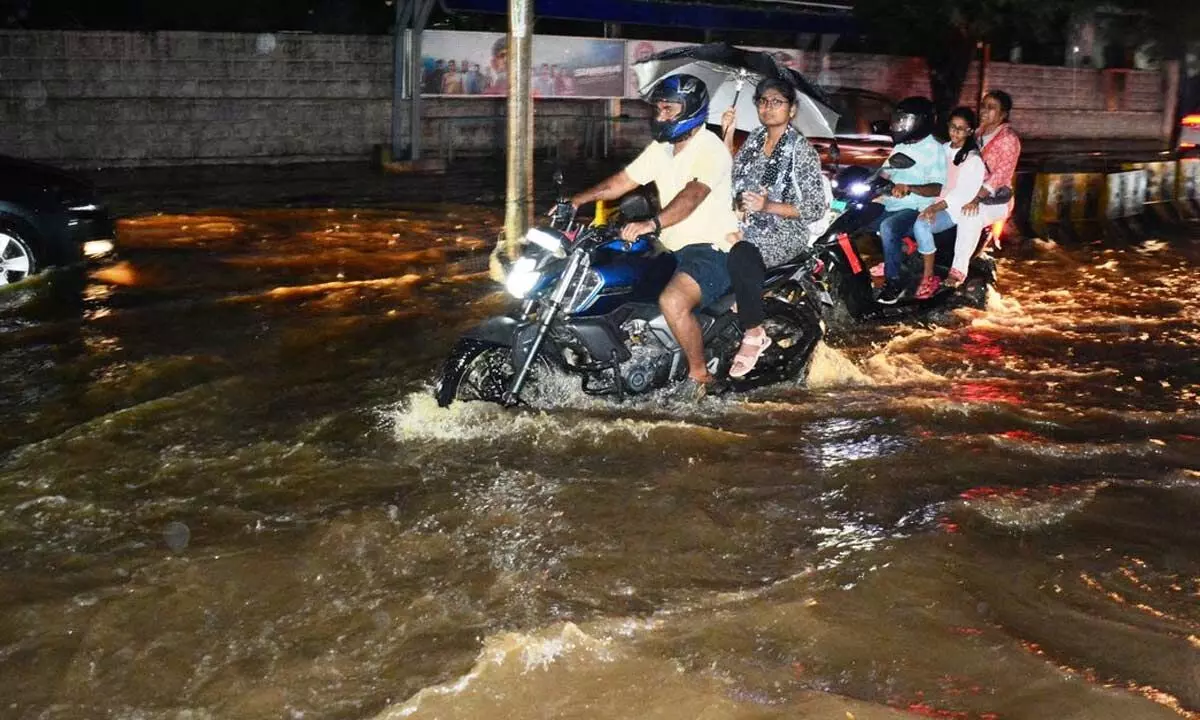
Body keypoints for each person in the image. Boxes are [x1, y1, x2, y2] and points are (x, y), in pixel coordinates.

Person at [564, 74, 738, 397]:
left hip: (714, 249)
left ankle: (701, 379)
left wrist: (652, 223)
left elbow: (692, 196)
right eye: (659, 108)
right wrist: (577, 200)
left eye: (669, 109)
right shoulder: (663, 148)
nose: (661, 115)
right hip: (670, 248)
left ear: (691, 110)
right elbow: (622, 181)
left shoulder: (711, 149)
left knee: (672, 301)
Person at [718, 77, 828, 378]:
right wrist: (727, 137)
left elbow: (817, 208)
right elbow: (732, 177)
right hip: (745, 224)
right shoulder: (753, 139)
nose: (768, 107)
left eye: (777, 102)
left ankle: (755, 333)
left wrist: (768, 207)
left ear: (791, 110)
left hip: (784, 232)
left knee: (740, 254)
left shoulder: (800, 150)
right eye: (763, 101)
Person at [868, 96, 946, 304]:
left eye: (905, 121)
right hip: (891, 202)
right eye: (898, 120)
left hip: (916, 208)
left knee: (888, 228)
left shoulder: (935, 149)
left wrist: (909, 188)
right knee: (852, 217)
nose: (899, 125)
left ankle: (893, 282)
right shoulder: (902, 146)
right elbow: (885, 172)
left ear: (921, 122)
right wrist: (871, 181)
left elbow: (937, 187)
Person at [910, 107, 986, 299]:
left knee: (921, 224)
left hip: (952, 210)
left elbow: (962, 194)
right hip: (931, 201)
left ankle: (929, 277)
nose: (955, 132)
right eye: (953, 127)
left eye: (961, 129)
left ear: (969, 131)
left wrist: (935, 207)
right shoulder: (942, 150)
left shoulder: (973, 160)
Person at [951, 89, 1022, 286]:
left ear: (1003, 114)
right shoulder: (978, 133)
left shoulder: (1008, 140)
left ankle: (958, 271)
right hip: (969, 192)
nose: (984, 111)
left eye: (991, 108)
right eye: (983, 106)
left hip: (994, 199)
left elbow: (999, 177)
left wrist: (975, 199)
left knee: (969, 216)